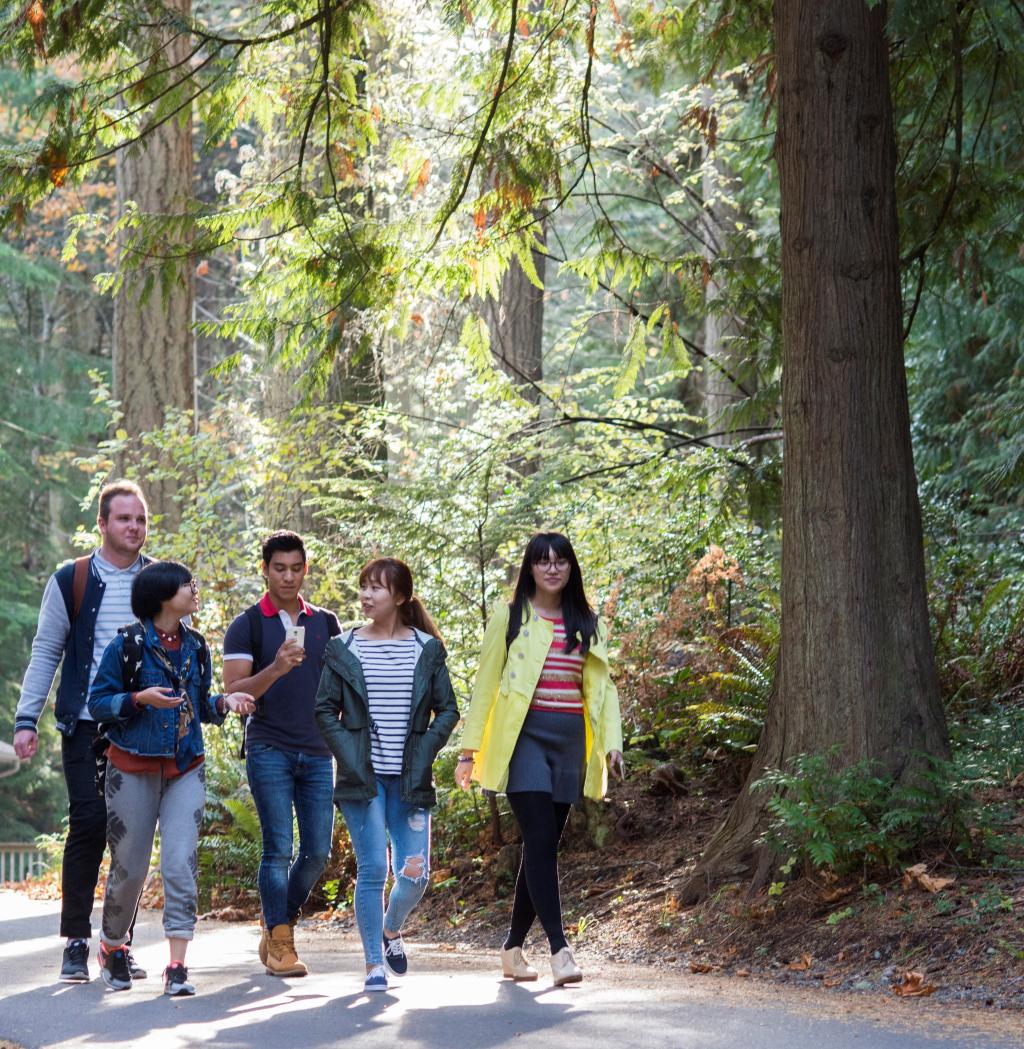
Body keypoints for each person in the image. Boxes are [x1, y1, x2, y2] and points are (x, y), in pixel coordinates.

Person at [456, 532, 625, 986]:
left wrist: (612, 743)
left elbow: (602, 690)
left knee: (542, 845)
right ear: (529, 568)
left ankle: (512, 948)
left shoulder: (587, 622)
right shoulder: (510, 617)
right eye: (543, 561)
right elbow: (486, 685)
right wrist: (468, 751)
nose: (553, 569)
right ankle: (559, 948)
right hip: (524, 738)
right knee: (540, 836)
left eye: (561, 561)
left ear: (571, 568)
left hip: (569, 741)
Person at [87, 560, 254, 995]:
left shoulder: (196, 645)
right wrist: (138, 698)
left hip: (185, 767)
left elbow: (199, 704)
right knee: (130, 868)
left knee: (180, 863)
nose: (194, 589)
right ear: (163, 594)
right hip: (131, 768)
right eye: (186, 584)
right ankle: (112, 945)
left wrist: (226, 702)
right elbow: (99, 702)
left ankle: (176, 967)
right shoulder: (127, 645)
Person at [12, 480, 151, 983]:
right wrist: (26, 720)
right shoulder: (71, 579)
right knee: (91, 824)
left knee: (132, 838)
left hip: (142, 727)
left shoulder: (158, 580)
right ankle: (76, 940)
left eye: (139, 519)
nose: (133, 527)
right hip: (86, 725)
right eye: (123, 519)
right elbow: (46, 650)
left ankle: (118, 944)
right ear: (102, 523)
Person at [315, 558, 459, 993]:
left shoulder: (426, 649)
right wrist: (352, 757)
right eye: (362, 586)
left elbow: (447, 709)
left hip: (411, 781)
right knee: (374, 867)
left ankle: (391, 929)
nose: (365, 595)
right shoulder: (344, 648)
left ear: (399, 596)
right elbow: (325, 710)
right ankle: (373, 964)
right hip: (364, 782)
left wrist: (425, 748)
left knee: (415, 875)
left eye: (376, 588)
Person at [222, 531, 341, 977]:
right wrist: (275, 667)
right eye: (279, 568)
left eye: (295, 568)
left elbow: (339, 687)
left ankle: (276, 924)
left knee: (316, 851)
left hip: (317, 751)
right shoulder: (248, 624)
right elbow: (232, 691)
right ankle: (282, 943)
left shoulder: (327, 622)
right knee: (277, 848)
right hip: (268, 746)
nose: (288, 576)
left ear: (305, 569)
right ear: (266, 570)